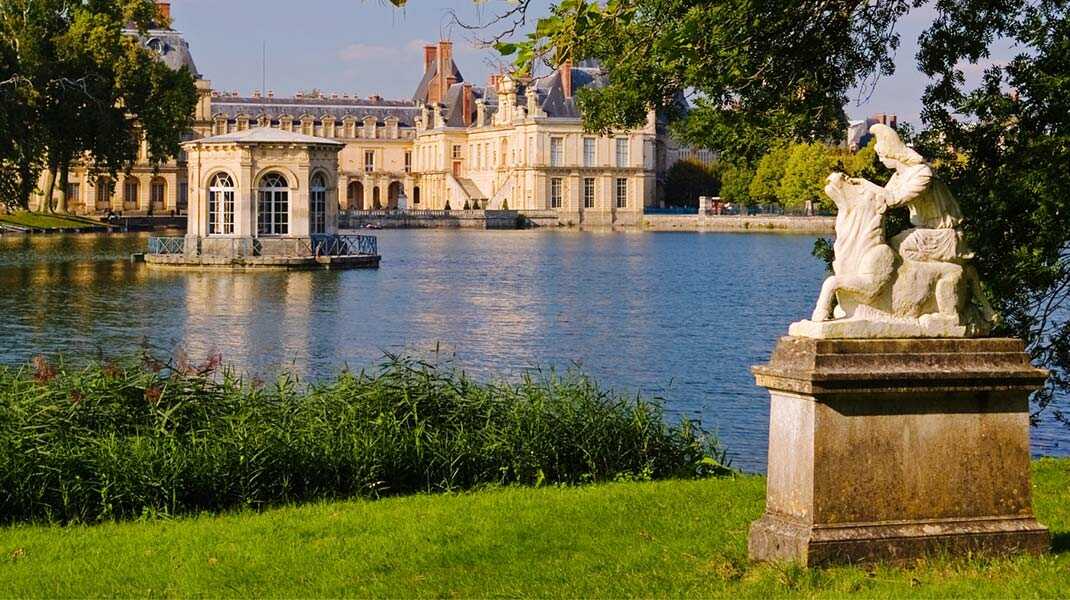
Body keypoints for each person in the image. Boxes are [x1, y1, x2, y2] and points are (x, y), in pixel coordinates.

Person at [869, 124, 998, 326]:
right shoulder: (897, 177)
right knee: (891, 245)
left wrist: (865, 186)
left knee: (897, 247)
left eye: (881, 154)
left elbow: (894, 200)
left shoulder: (922, 173)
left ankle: (918, 299)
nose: (880, 158)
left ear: (891, 152)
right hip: (923, 231)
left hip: (943, 234)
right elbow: (882, 199)